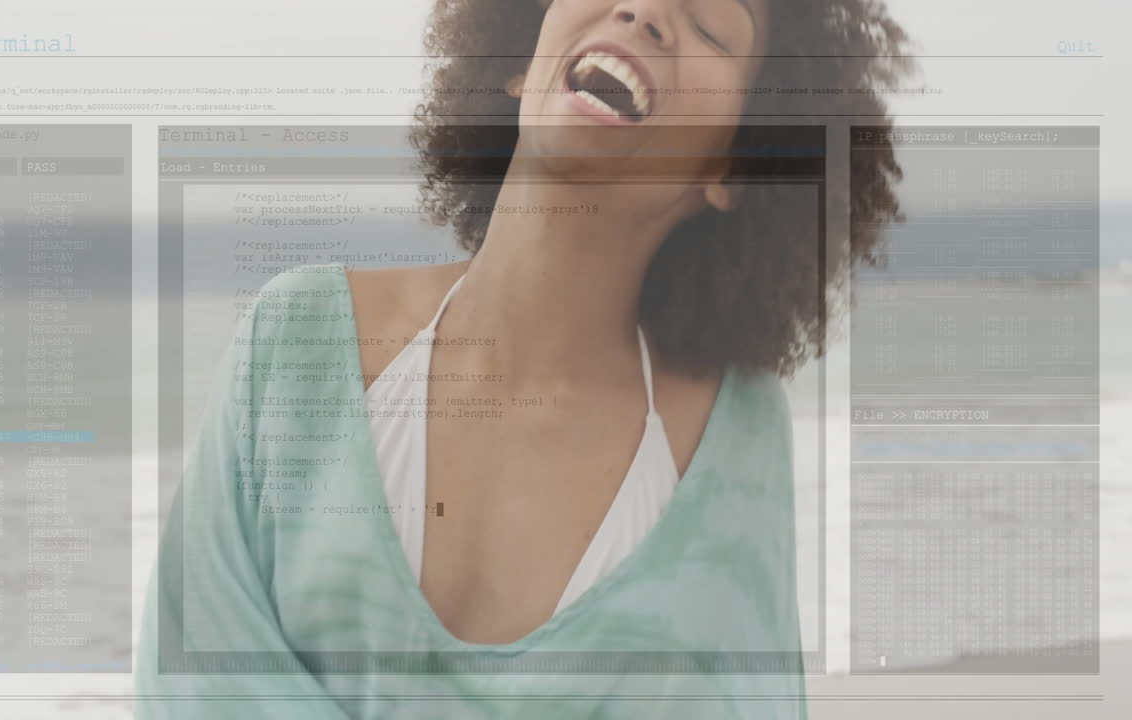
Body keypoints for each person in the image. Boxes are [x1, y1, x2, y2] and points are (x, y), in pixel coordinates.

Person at [135, 0, 912, 717]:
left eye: (711, 26)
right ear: (517, 61)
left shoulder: (729, 432)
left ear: (734, 168)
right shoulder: (297, 340)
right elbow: (187, 686)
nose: (644, 12)